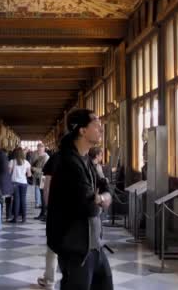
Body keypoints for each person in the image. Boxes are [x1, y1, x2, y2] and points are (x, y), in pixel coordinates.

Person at [47, 109, 113, 290]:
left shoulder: (87, 160)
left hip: (94, 246)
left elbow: (106, 188)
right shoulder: (68, 161)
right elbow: (89, 206)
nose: (101, 128)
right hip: (76, 248)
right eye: (96, 124)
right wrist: (99, 200)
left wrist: (101, 197)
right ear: (82, 130)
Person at [36, 150, 61, 290]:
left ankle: (50, 281)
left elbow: (47, 187)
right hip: (75, 211)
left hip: (57, 209)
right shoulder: (83, 157)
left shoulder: (55, 158)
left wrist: (48, 208)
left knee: (53, 248)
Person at [9, 147, 32, 223]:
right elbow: (29, 175)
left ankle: (15, 218)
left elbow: (9, 173)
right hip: (24, 183)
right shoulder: (26, 162)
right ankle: (24, 218)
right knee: (23, 200)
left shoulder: (12, 162)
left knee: (16, 200)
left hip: (15, 182)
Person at [32, 143, 50, 220]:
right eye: (38, 149)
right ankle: (42, 213)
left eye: (40, 149)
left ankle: (44, 213)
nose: (38, 151)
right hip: (39, 178)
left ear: (43, 149)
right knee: (42, 195)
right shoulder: (40, 157)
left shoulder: (46, 157)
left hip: (43, 179)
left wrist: (34, 169)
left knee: (43, 196)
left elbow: (44, 170)